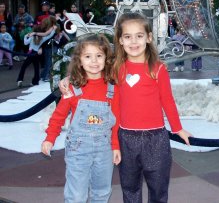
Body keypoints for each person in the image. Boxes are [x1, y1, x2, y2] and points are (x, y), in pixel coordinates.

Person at [111, 12, 190, 202]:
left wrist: (178, 128)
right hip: (126, 138)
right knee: (130, 188)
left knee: (158, 187)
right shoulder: (117, 69)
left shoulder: (158, 68)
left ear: (149, 37)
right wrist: (115, 143)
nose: (134, 41)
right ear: (120, 41)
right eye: (127, 37)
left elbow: (167, 100)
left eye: (139, 36)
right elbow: (114, 108)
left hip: (156, 138)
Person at [41, 34, 121, 203]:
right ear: (80, 61)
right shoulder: (72, 88)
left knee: (101, 192)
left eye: (99, 55)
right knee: (76, 195)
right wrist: (50, 138)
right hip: (78, 150)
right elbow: (59, 115)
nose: (94, 61)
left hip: (104, 150)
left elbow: (116, 120)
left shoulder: (113, 88)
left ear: (106, 58)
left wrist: (115, 146)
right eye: (88, 56)